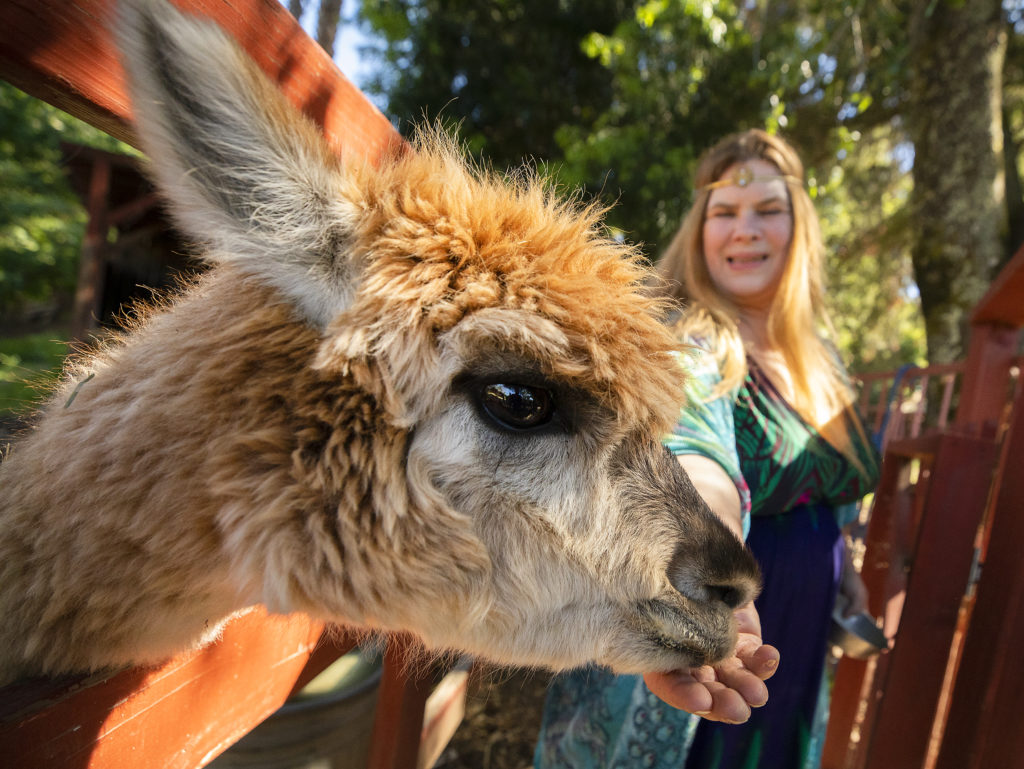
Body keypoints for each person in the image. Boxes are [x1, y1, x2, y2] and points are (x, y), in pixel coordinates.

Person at [534, 128, 880, 769]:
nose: (744, 229)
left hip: (798, 637)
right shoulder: (690, 337)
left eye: (767, 210)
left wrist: (846, 571)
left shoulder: (824, 360)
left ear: (799, 226)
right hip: (717, 628)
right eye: (724, 213)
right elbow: (697, 453)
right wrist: (706, 563)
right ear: (699, 230)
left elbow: (825, 493)